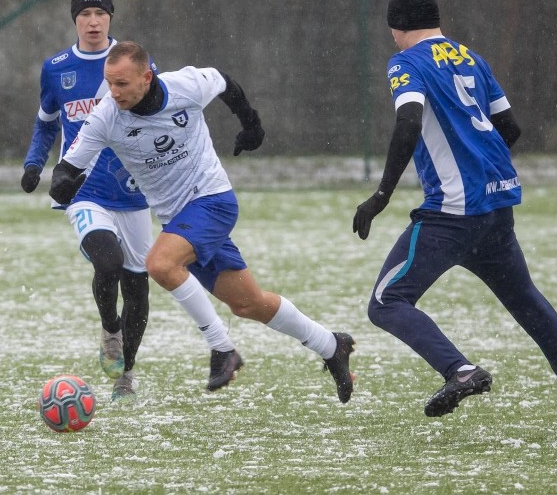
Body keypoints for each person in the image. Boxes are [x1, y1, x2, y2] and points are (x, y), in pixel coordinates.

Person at [352, 0, 557, 435]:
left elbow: (409, 120)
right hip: (495, 208)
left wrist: (382, 195)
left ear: (397, 26)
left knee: (386, 301)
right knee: (531, 306)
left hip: (452, 213)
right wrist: (478, 162)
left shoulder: (405, 62)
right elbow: (509, 127)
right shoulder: (471, 57)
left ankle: (461, 371)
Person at [49, 41, 357, 403]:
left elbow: (225, 82)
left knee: (160, 264)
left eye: (122, 84)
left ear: (147, 78)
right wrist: (63, 183)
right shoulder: (106, 116)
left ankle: (222, 349)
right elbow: (68, 168)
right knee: (249, 304)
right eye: (109, 83)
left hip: (212, 201)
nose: (113, 93)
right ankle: (330, 345)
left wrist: (251, 125)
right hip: (180, 221)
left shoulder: (186, 85)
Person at [21, 0, 153, 401]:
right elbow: (45, 125)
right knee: (107, 263)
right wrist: (33, 164)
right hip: (85, 191)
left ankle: (125, 376)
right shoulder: (57, 68)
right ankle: (109, 330)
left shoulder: (135, 63)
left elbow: (162, 119)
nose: (93, 22)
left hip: (133, 193)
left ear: (111, 16)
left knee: (138, 289)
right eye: (85, 14)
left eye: (100, 13)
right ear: (75, 19)